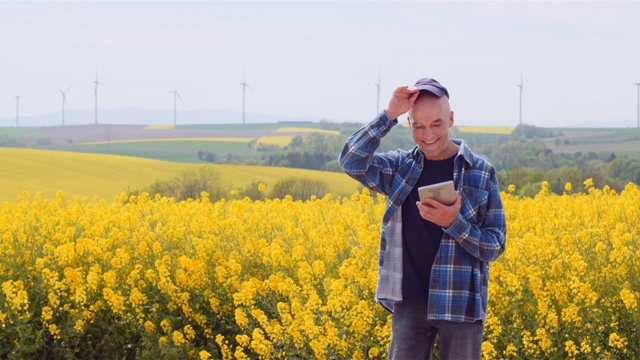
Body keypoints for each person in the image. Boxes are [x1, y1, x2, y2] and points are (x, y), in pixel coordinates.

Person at [338, 77, 506, 359]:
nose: (428, 134)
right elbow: (351, 161)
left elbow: (495, 245)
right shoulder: (399, 167)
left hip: (460, 301)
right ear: (408, 124)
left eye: (436, 124)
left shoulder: (480, 171)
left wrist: (454, 223)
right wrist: (389, 114)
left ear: (451, 118)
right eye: (418, 126)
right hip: (409, 301)